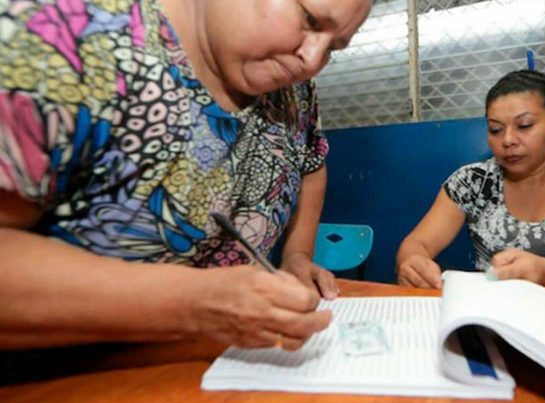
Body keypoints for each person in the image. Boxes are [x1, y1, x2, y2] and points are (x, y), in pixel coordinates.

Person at [0, 0, 372, 350]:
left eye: (333, 48)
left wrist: (297, 256)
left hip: (202, 373)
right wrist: (195, 304)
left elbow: (311, 162)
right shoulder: (68, 34)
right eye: (309, 20)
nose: (311, 60)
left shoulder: (294, 90)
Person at [396, 70, 545, 303]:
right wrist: (413, 263)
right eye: (496, 129)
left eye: (524, 126)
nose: (508, 140)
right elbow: (418, 243)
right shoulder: (472, 182)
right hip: (497, 320)